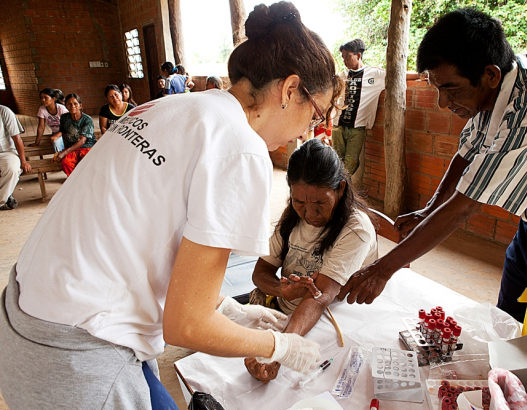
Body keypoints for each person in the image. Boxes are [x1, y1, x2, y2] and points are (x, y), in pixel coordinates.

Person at [0, 2, 342, 408]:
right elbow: (186, 326)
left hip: (24, 313)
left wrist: (229, 309)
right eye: (316, 114)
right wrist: (279, 346)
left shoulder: (168, 107)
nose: (309, 131)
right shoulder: (241, 147)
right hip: (77, 355)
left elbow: (137, 230)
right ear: (289, 90)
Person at [338, 8, 527, 323]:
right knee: (508, 323)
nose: (442, 103)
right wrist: (428, 210)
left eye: (449, 88)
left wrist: (381, 270)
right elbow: (466, 155)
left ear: (489, 75)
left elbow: (464, 207)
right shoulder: (498, 88)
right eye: (436, 88)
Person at [244, 138, 378, 383]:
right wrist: (281, 290)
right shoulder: (292, 218)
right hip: (286, 314)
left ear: (341, 188)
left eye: (319, 202)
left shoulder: (356, 229)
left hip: (327, 321)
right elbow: (260, 273)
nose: (309, 214)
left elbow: (319, 299)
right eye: (299, 202)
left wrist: (281, 349)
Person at [332, 39, 385, 175]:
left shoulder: (375, 74)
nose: (345, 61)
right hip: (338, 126)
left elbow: (397, 75)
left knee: (351, 163)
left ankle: (341, 188)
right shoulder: (343, 75)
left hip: (357, 128)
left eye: (348, 57)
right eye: (343, 58)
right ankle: (339, 189)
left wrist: (422, 75)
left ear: (358, 55)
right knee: (336, 162)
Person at [56, 93, 96, 176]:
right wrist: (65, 149)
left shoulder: (87, 119)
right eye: (69, 104)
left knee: (87, 163)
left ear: (80, 106)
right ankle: (74, 182)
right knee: (66, 163)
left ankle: (85, 182)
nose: (72, 106)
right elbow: (64, 134)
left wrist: (65, 152)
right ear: (66, 106)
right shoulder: (64, 118)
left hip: (86, 147)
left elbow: (82, 140)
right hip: (72, 148)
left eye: (75, 103)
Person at [0, 105, 30, 211]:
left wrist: (23, 161)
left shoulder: (4, 111)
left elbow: (17, 139)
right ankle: (7, 196)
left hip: (6, 152)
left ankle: (2, 200)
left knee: (12, 170)